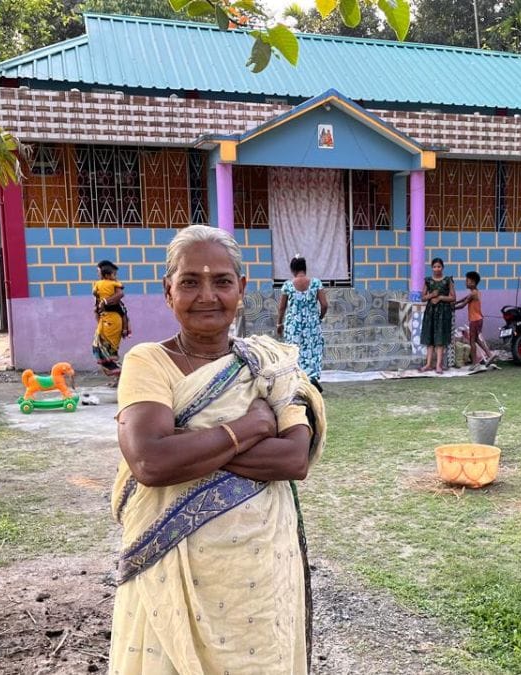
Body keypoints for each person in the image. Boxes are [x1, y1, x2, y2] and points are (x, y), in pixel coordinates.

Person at [110, 225, 326, 675]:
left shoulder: (270, 364)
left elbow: (293, 459)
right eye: (190, 282)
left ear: (241, 289)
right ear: (168, 291)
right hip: (170, 570)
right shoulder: (148, 362)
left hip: (258, 571)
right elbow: (150, 461)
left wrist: (189, 442)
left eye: (222, 281)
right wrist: (251, 427)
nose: (207, 295)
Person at [277, 255, 328, 390]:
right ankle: (312, 378)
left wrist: (279, 324)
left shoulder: (287, 285)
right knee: (313, 350)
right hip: (312, 325)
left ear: (293, 270)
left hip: (293, 326)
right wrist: (319, 318)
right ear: (305, 269)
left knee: (294, 350)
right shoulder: (316, 283)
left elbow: (282, 307)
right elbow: (324, 305)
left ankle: (298, 380)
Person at [92, 260, 130, 384]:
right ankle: (119, 377)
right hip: (106, 320)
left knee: (105, 349)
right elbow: (96, 303)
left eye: (98, 271)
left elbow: (120, 297)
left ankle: (123, 375)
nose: (98, 274)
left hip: (112, 321)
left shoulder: (113, 286)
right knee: (103, 349)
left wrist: (105, 302)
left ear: (105, 274)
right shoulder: (99, 285)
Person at [418, 257, 455, 374]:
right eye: (434, 267)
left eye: (439, 266)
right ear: (432, 268)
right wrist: (432, 295)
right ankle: (428, 364)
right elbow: (423, 298)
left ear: (442, 267)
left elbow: (453, 297)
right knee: (429, 338)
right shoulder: (428, 281)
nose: (437, 269)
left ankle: (439, 365)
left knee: (440, 339)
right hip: (431, 312)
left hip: (443, 312)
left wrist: (440, 298)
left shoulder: (448, 280)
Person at [454, 270, 494, 370]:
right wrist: (454, 302)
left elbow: (463, 305)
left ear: (473, 283)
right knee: (476, 339)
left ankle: (475, 363)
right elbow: (464, 299)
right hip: (479, 319)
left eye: (467, 281)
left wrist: (451, 308)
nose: (465, 283)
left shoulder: (473, 294)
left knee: (472, 341)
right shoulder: (476, 292)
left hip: (474, 320)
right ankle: (489, 355)